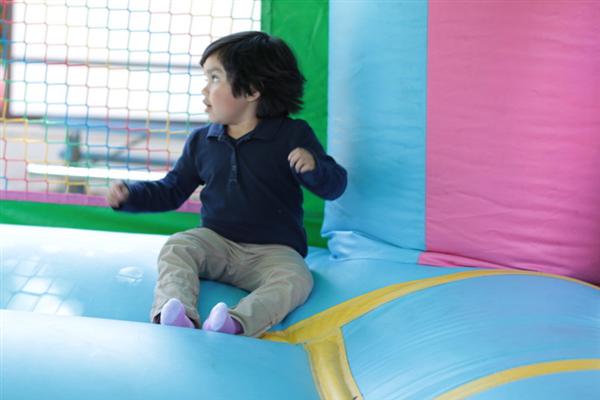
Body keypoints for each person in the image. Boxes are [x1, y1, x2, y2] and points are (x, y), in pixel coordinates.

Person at [106, 31, 347, 337]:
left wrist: (314, 168)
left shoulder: (291, 135)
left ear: (252, 89)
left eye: (215, 78)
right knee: (178, 246)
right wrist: (131, 195)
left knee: (297, 278)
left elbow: (334, 186)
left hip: (273, 252)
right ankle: (175, 311)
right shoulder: (202, 141)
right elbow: (172, 189)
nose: (205, 89)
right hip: (216, 244)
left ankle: (235, 323)